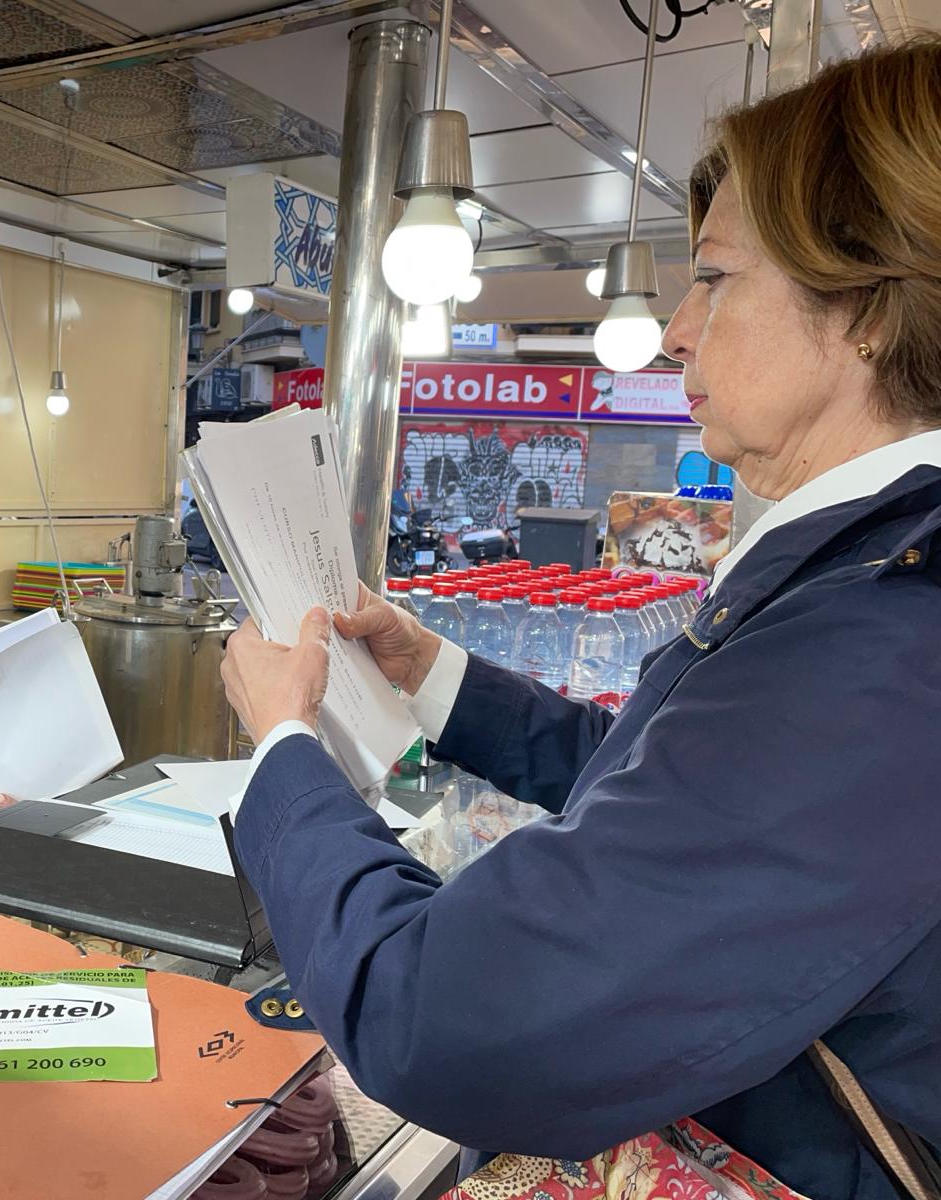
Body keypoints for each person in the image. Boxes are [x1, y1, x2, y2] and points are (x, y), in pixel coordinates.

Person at [220, 40, 941, 1200]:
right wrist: (435, 675)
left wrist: (281, 751)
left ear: (858, 305)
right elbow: (670, 799)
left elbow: (446, 1016)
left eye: (713, 277)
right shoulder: (860, 583)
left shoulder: (882, 642)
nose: (673, 329)